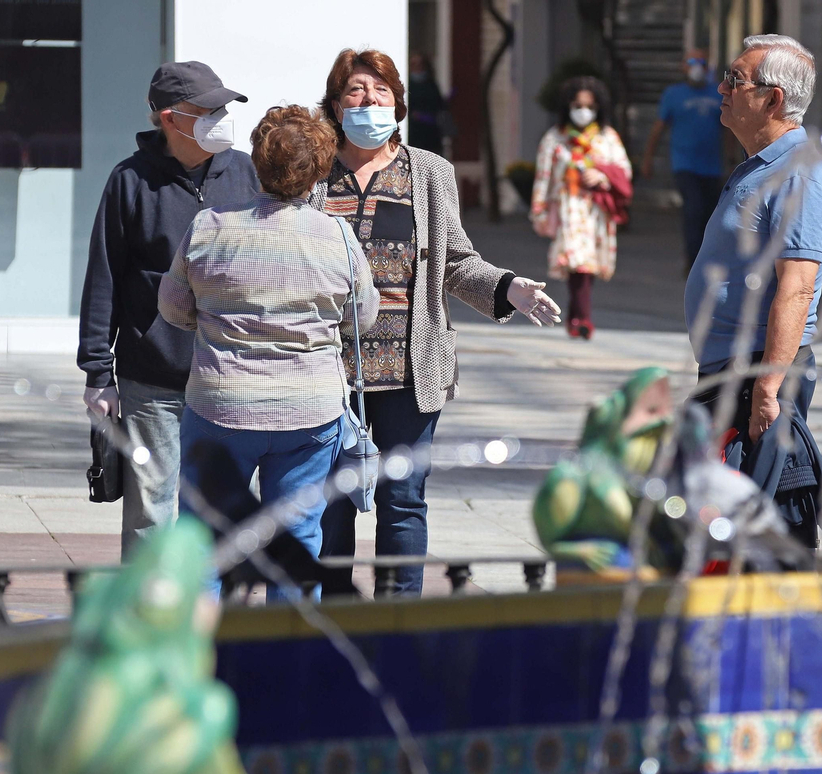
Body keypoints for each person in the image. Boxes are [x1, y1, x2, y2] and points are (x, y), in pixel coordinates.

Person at [311, 48, 562, 599]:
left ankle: (398, 616)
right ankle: (331, 614)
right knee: (329, 498)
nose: (368, 101)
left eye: (380, 92)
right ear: (334, 104)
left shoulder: (427, 172)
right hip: (328, 369)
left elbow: (454, 261)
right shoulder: (314, 172)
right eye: (355, 91)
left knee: (402, 498)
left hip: (409, 367)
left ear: (398, 103)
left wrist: (508, 288)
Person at [159, 105, 379, 600]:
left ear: (258, 163)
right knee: (298, 538)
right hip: (309, 414)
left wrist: (217, 320)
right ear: (320, 169)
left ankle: (195, 658)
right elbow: (361, 319)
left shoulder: (210, 225)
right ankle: (286, 665)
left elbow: (172, 306)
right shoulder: (338, 238)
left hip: (220, 406)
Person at [78, 61, 260, 560]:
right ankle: (145, 622)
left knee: (226, 513)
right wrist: (97, 374)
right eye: (207, 109)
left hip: (232, 378)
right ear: (169, 118)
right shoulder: (130, 181)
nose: (221, 116)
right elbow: (104, 279)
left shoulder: (248, 173)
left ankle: (217, 620)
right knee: (151, 513)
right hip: (152, 380)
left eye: (223, 107)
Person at [686, 34, 822, 548]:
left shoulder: (800, 173)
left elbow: (797, 290)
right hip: (731, 371)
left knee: (769, 527)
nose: (722, 87)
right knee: (730, 526)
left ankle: (780, 622)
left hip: (759, 374)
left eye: (736, 79)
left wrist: (767, 391)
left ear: (773, 98)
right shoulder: (762, 165)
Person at [530, 77, 632, 340]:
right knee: (577, 262)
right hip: (568, 207)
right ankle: (581, 318)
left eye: (589, 105)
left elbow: (624, 171)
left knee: (589, 264)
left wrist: (602, 177)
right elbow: (543, 176)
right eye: (577, 105)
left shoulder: (607, 137)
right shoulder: (555, 138)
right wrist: (539, 209)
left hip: (596, 210)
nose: (583, 111)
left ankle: (577, 316)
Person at [642, 49, 726, 271]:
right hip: (684, 163)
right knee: (693, 209)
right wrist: (648, 159)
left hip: (712, 166)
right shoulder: (674, 94)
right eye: (692, 62)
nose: (697, 66)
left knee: (710, 214)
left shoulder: (718, 94)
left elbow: (728, 130)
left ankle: (706, 258)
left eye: (701, 62)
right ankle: (693, 261)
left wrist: (733, 159)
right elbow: (658, 128)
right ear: (684, 67)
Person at [406, 52, 449, 156]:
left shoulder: (431, 84)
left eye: (420, 64)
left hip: (430, 132)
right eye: (414, 64)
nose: (417, 67)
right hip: (412, 131)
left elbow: (439, 105)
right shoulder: (407, 85)